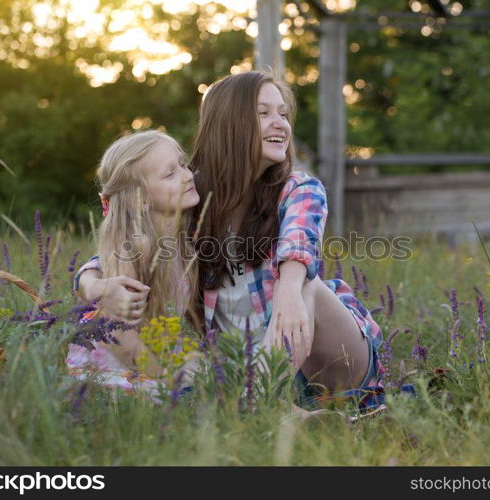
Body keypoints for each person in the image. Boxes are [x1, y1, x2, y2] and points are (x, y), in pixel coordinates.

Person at [76, 72, 384, 410]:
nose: (280, 122)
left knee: (306, 286)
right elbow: (111, 256)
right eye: (263, 113)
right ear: (230, 123)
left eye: (283, 113)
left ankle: (260, 405)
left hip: (331, 359)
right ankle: (263, 404)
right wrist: (96, 287)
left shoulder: (299, 190)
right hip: (248, 367)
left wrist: (289, 290)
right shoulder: (194, 197)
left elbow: (300, 244)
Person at [67, 130, 200, 392]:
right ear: (142, 199)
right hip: (115, 361)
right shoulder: (137, 245)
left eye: (183, 164)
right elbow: (116, 330)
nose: (188, 176)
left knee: (217, 376)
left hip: (154, 350)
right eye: (170, 173)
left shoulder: (182, 239)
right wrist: (164, 378)